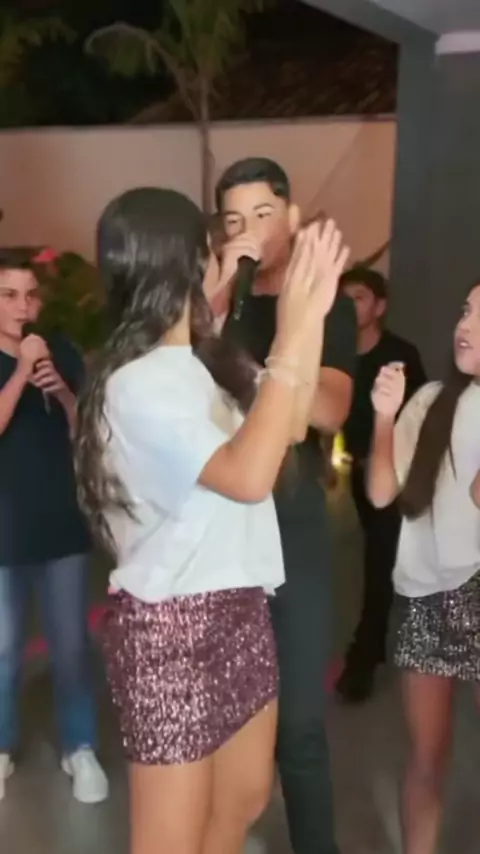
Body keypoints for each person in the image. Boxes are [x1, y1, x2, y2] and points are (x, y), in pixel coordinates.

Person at [74, 187, 349, 854]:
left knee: (242, 800)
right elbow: (248, 476)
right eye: (215, 245)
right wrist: (293, 327)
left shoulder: (202, 361)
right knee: (171, 839)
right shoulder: (137, 382)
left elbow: (287, 426)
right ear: (190, 262)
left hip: (240, 609)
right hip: (173, 629)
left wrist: (309, 317)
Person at [214, 157, 356, 854]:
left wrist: (290, 339)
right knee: (224, 723)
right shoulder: (218, 303)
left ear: (292, 216)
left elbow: (326, 410)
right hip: (220, 529)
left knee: (298, 726)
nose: (250, 232)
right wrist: (215, 305)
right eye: (234, 221)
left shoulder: (326, 299)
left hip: (292, 526)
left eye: (263, 215)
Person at [367, 282, 480, 854]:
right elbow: (381, 493)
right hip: (426, 593)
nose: (466, 325)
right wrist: (384, 417)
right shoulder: (432, 400)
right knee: (426, 756)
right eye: (466, 310)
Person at [0, 249, 108, 803]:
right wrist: (21, 372)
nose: (23, 307)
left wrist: (62, 390)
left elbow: (86, 431)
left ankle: (79, 746)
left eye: (31, 295)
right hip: (4, 531)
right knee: (3, 649)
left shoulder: (59, 349)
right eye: (9, 295)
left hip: (62, 524)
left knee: (70, 646)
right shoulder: (19, 360)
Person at [337, 266, 426, 702]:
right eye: (344, 298)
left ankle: (365, 656)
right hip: (357, 472)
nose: (349, 306)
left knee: (379, 557)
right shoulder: (336, 354)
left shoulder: (400, 356)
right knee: (377, 554)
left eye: (358, 297)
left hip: (393, 475)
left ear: (379, 306)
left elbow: (421, 417)